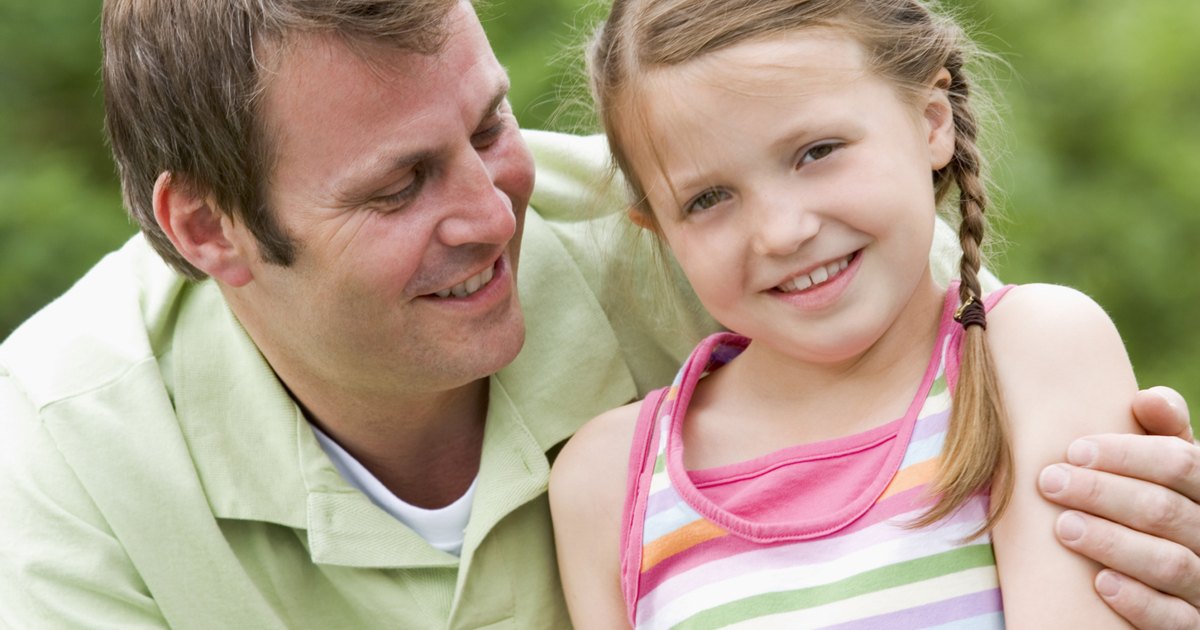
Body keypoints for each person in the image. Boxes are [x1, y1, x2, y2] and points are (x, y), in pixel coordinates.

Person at [0, 0, 1195, 628]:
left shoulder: (707, 241)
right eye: (400, 185)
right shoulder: (63, 456)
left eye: (486, 130)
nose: (489, 212)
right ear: (207, 230)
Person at [549, 0, 1199, 628]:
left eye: (817, 151)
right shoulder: (608, 483)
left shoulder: (1030, 357)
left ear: (932, 121)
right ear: (660, 230)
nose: (780, 232)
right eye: (708, 198)